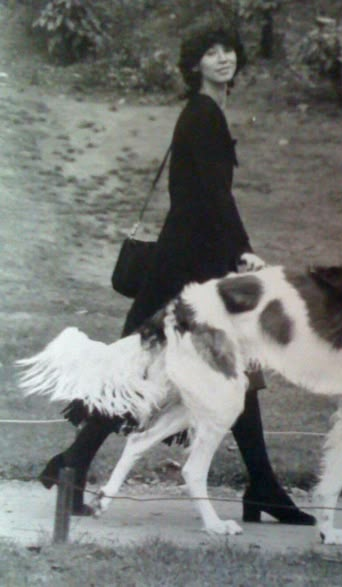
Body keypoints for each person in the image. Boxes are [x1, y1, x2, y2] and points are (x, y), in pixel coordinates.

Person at [39, 17, 315, 526]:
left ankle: (263, 485)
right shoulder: (202, 116)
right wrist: (244, 252)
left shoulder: (209, 112)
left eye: (228, 49)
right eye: (211, 52)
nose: (223, 58)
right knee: (134, 372)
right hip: (183, 268)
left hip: (192, 261)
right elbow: (214, 198)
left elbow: (211, 198)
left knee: (232, 370)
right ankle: (74, 465)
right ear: (195, 65)